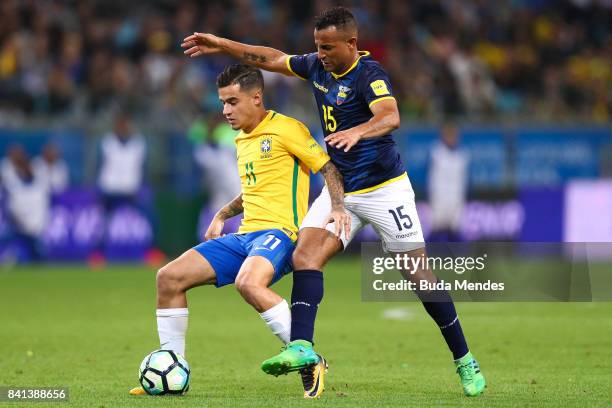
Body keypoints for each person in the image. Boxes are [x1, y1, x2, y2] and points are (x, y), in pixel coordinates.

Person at [181, 6, 485, 397]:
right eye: (316, 46)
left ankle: (464, 359)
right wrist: (223, 45)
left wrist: (357, 132)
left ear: (351, 43)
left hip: (385, 188)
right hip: (340, 189)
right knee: (305, 256)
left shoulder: (369, 75)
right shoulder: (317, 67)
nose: (320, 54)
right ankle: (302, 347)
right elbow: (270, 58)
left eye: (327, 46)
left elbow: (390, 117)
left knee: (418, 276)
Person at [129, 64, 348, 398]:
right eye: (222, 103)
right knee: (168, 278)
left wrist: (337, 207)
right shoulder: (242, 137)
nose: (225, 111)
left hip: (281, 233)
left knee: (248, 283)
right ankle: (173, 366)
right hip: (245, 237)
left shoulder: (288, 129)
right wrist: (222, 213)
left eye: (232, 101)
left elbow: (328, 167)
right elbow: (253, 192)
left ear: (256, 97)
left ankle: (308, 359)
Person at [427, 123, 469, 242]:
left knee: (456, 227)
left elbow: (466, 178)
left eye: (453, 135)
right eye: (448, 134)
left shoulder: (463, 154)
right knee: (437, 226)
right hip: (439, 196)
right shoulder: (436, 152)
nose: (451, 137)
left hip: (457, 197)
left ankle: (458, 257)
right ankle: (428, 254)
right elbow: (427, 174)